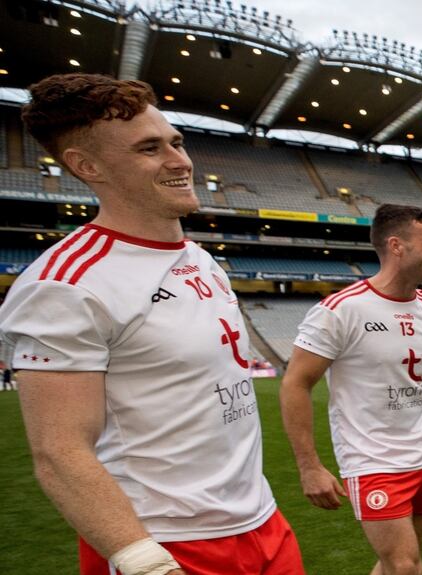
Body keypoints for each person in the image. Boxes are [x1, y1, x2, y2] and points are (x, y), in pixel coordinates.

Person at [0, 74, 304, 574]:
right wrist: (142, 560)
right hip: (167, 542)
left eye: (176, 142)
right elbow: (59, 452)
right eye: (149, 149)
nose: (179, 161)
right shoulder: (66, 286)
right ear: (86, 165)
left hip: (261, 523)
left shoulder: (201, 260)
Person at [280, 204, 422, 575]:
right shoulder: (341, 310)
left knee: (401, 563)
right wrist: (309, 467)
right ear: (396, 246)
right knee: (405, 565)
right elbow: (296, 383)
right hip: (372, 460)